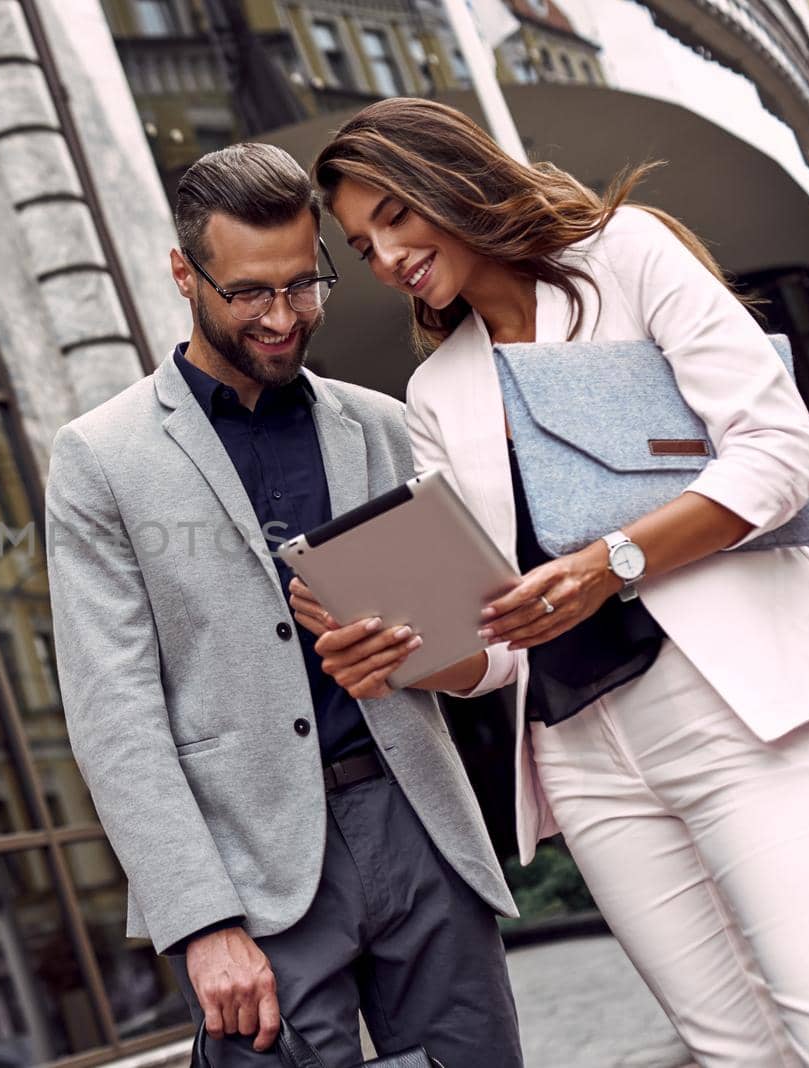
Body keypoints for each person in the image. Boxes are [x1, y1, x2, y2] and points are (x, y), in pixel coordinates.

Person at [294, 97, 809, 1066]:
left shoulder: (626, 256)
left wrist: (610, 563)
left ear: (448, 179)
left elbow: (777, 451)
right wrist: (406, 652)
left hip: (728, 713)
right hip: (583, 760)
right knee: (731, 1052)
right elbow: (498, 648)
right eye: (360, 244)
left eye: (393, 217)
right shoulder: (436, 392)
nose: (385, 260)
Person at [44, 142, 524, 1068]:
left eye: (303, 287)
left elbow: (477, 640)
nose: (281, 317)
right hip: (250, 878)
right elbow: (115, 717)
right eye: (250, 294)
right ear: (186, 274)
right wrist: (200, 923)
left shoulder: (382, 424)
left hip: (418, 833)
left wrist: (415, 645)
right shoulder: (101, 458)